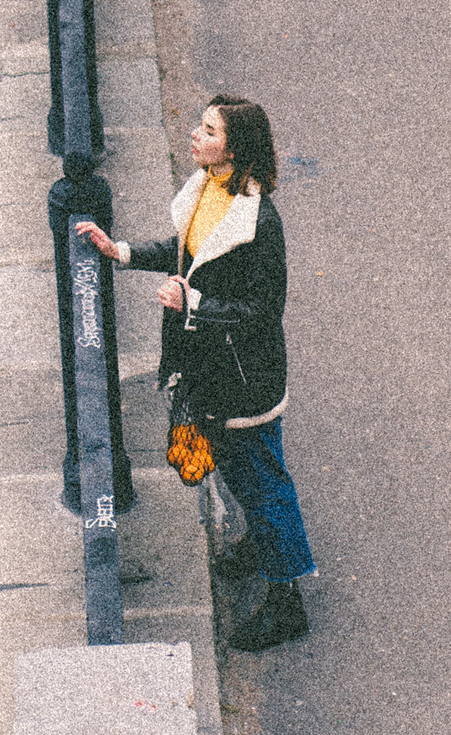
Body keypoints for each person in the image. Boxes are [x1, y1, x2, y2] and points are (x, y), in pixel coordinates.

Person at [76, 94, 315, 649]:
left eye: (208, 131)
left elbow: (261, 311)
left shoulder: (262, 224)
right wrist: (124, 252)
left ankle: (287, 601)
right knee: (239, 470)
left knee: (262, 480)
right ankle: (264, 546)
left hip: (242, 376)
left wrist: (193, 307)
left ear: (233, 148)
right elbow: (187, 256)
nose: (195, 135)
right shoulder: (209, 189)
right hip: (214, 367)